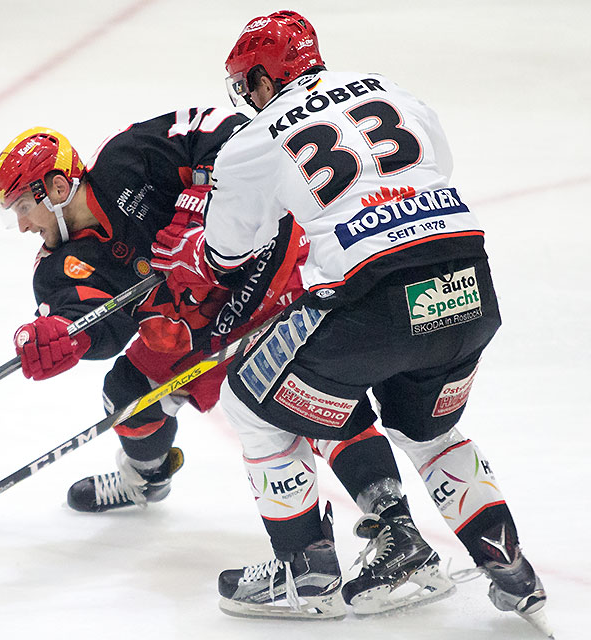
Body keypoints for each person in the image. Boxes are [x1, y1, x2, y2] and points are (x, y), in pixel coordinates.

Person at [150, 9, 551, 634]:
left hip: (373, 300)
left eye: (244, 84)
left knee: (251, 402)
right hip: (468, 284)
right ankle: (511, 568)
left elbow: (228, 254)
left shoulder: (254, 139)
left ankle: (304, 574)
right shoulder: (393, 88)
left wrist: (195, 251)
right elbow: (436, 166)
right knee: (431, 434)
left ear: (260, 78)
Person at [0, 110, 451, 617]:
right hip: (195, 321)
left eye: (20, 207)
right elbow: (105, 325)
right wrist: (68, 338)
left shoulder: (130, 156)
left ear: (55, 188)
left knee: (307, 398)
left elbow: (235, 132)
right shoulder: (56, 267)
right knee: (125, 395)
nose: (20, 226)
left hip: (263, 274)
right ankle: (145, 478)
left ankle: (394, 526)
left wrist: (194, 211)